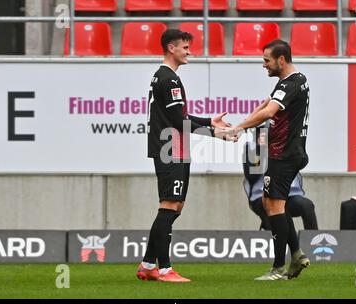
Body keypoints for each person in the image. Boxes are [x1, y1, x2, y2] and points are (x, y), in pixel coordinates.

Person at [136, 29, 233, 283]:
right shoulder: (168, 79)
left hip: (175, 148)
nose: (189, 52)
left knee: (175, 206)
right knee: (169, 205)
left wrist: (209, 122)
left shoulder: (165, 77)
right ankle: (165, 269)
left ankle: (148, 264)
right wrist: (215, 131)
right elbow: (179, 121)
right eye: (185, 47)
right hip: (171, 149)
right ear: (171, 48)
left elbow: (178, 118)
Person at [231, 39, 311, 280]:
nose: (264, 64)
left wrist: (237, 129)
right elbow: (264, 105)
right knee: (271, 203)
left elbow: (268, 112)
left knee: (274, 207)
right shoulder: (290, 82)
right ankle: (296, 254)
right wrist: (241, 125)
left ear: (281, 60)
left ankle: (278, 268)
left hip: (285, 154)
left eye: (267, 60)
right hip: (286, 153)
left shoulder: (292, 83)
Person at [243, 129, 318, 231]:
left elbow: (302, 162)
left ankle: (313, 241)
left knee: (306, 205)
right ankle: (280, 241)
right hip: (263, 197)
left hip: (289, 195)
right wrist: (260, 151)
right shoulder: (253, 150)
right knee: (277, 214)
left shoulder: (286, 148)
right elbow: (251, 176)